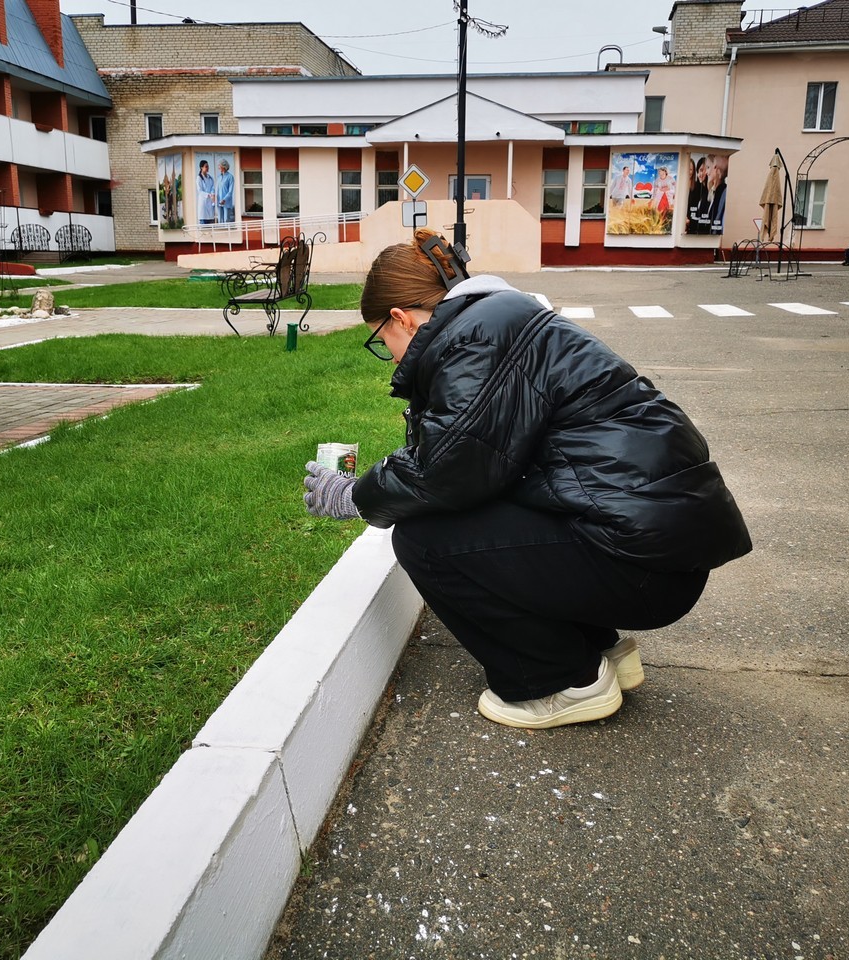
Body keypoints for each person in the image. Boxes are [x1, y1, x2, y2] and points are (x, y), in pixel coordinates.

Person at [302, 230, 752, 730]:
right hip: (662, 553)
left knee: (425, 541)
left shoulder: (476, 340)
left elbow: (443, 473)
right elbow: (476, 464)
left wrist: (353, 496)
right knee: (488, 513)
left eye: (381, 340)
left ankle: (564, 681)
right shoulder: (502, 321)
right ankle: (601, 651)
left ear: (400, 318)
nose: (390, 355)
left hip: (643, 567)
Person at [196, 159, 215, 225]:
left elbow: (213, 188)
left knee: (210, 227)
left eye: (208, 166)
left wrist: (212, 194)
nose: (208, 168)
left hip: (210, 203)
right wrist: (209, 195)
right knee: (203, 228)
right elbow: (199, 191)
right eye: (206, 166)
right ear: (201, 167)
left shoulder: (210, 178)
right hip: (203, 205)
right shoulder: (199, 178)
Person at [215, 158, 235, 223]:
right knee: (220, 220)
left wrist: (224, 199)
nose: (218, 167)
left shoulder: (230, 177)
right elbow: (216, 189)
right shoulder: (219, 177)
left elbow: (230, 191)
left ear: (223, 166)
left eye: (219, 165)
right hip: (219, 201)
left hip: (226, 202)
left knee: (226, 220)